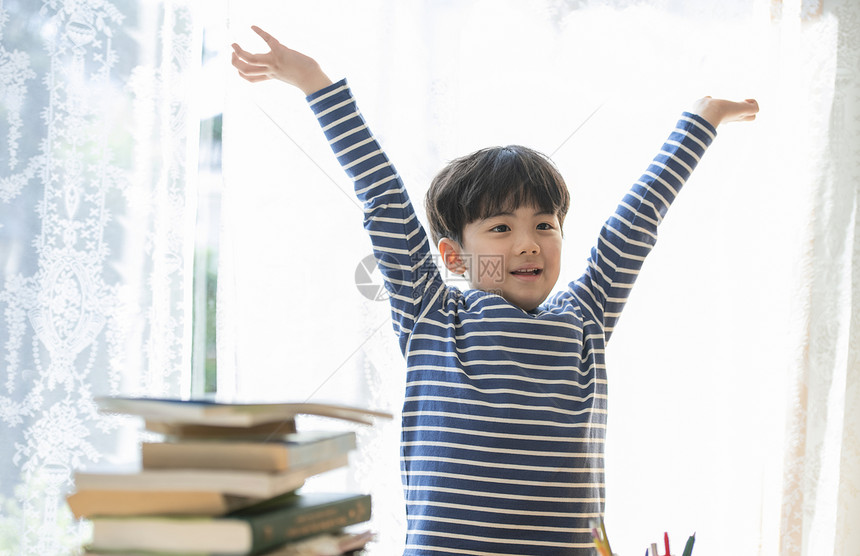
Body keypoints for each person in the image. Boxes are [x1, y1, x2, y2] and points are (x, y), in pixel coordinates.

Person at [231, 25, 758, 556]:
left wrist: (702, 119)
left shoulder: (585, 315)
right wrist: (315, 82)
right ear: (455, 256)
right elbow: (384, 198)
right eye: (501, 228)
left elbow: (637, 222)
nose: (529, 245)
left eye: (545, 226)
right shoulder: (431, 311)